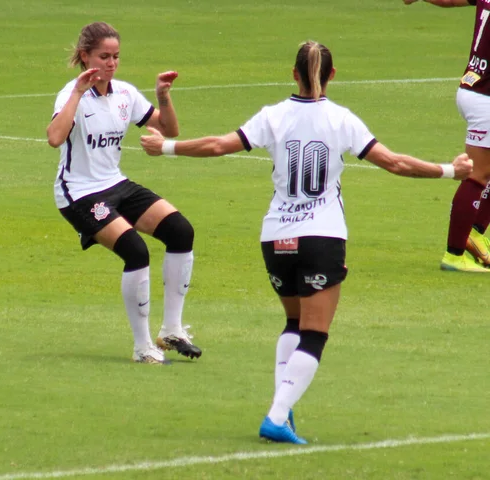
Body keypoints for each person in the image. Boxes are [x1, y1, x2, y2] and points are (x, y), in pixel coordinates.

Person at [141, 40, 473, 442]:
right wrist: (449, 171)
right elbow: (395, 162)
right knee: (315, 333)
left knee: (294, 323)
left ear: (294, 74)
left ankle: (284, 409)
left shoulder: (273, 116)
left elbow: (217, 145)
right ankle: (277, 416)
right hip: (322, 236)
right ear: (332, 75)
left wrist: (167, 147)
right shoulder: (341, 119)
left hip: (276, 235)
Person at [46, 22, 202, 365]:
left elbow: (170, 130)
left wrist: (163, 96)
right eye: (104, 56)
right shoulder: (71, 95)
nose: (111, 63)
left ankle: (172, 330)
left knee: (181, 231)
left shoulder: (125, 95)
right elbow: (55, 137)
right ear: (85, 56)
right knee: (135, 250)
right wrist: (75, 92)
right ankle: (143, 346)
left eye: (116, 56)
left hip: (115, 183)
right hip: (79, 193)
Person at [404, 0, 490, 272]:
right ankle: (454, 254)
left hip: (473, 87)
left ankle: (474, 233)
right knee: (478, 175)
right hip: (485, 97)